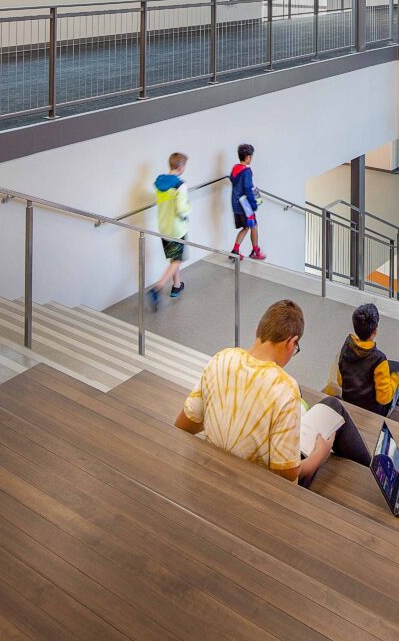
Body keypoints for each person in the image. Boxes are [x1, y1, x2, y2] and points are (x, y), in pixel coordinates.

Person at [176, 300, 370, 488]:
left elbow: (183, 425)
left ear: (258, 331)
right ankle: (371, 473)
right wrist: (320, 453)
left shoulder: (221, 359)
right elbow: (285, 476)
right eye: (295, 348)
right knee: (334, 406)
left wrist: (221, 410)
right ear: (291, 342)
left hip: (215, 470)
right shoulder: (284, 387)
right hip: (259, 489)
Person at [324, 303, 399, 416]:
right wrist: (395, 379)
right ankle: (396, 418)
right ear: (375, 331)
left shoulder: (346, 347)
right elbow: (383, 398)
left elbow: (340, 381)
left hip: (350, 402)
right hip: (375, 412)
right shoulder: (379, 359)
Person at [148, 152, 190, 311]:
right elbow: (182, 209)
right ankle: (157, 288)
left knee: (174, 258)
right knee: (177, 260)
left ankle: (177, 286)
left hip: (163, 226)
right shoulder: (180, 185)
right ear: (180, 167)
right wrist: (189, 207)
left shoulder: (160, 182)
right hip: (177, 228)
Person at [229, 143, 266, 261]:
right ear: (248, 157)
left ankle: (235, 251)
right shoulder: (246, 172)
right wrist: (254, 204)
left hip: (236, 204)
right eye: (251, 156)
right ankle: (255, 251)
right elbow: (248, 188)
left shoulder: (235, 168)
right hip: (245, 206)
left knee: (245, 228)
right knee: (253, 226)